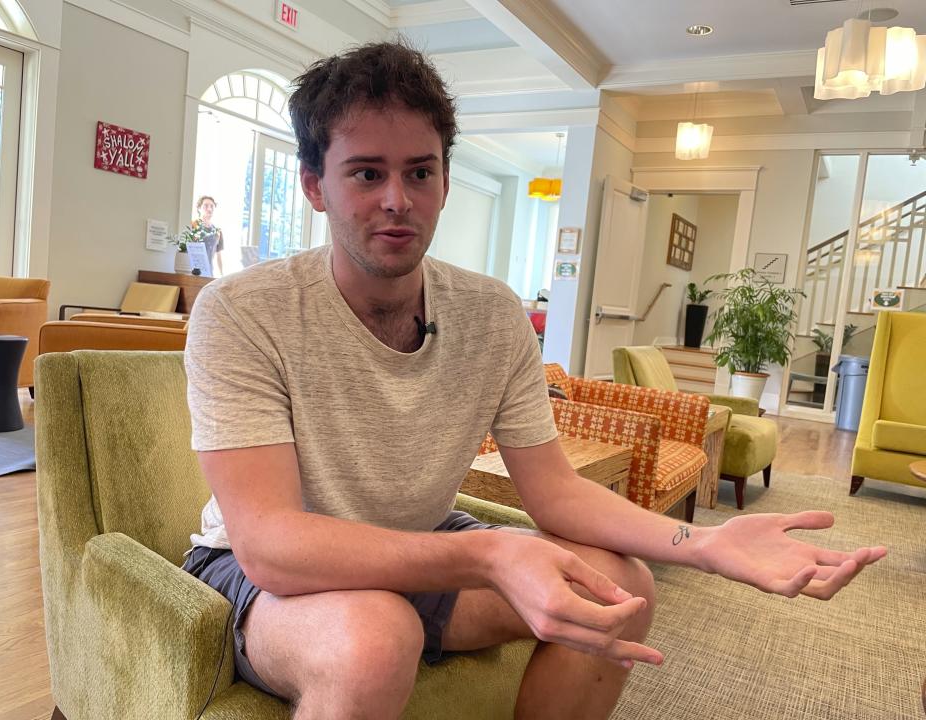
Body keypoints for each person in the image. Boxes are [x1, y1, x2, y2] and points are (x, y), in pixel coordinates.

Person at [182, 42, 886, 720]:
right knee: (374, 639)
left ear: (445, 182)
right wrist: (488, 552)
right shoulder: (243, 311)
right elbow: (271, 543)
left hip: (420, 540)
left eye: (420, 173)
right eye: (367, 173)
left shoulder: (492, 314)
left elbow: (552, 488)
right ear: (314, 185)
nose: (397, 199)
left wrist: (700, 543)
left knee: (623, 590)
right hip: (264, 572)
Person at [193, 195, 224, 276]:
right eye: (206, 206)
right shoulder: (193, 226)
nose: (209, 209)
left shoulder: (218, 231)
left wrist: (222, 276)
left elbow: (219, 255)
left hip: (209, 274)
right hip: (193, 273)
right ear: (199, 208)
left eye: (212, 206)